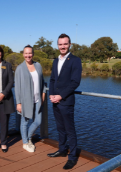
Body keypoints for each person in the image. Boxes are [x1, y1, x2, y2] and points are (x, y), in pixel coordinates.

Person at [48, 33, 82, 170]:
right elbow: (51, 80)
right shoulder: (56, 60)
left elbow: (75, 82)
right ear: (57, 45)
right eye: (60, 44)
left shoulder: (75, 60)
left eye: (65, 44)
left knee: (70, 130)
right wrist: (51, 95)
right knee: (60, 128)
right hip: (55, 101)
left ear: (69, 44)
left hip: (66, 101)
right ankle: (62, 150)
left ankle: (72, 157)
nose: (63, 46)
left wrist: (60, 96)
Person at [15, 45, 46, 153]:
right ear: (23, 54)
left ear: (33, 54)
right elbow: (17, 87)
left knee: (38, 121)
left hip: (38, 99)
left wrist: (43, 96)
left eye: (30, 53)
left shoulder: (38, 66)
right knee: (24, 122)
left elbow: (43, 83)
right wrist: (18, 103)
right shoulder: (20, 68)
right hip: (25, 100)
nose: (28, 55)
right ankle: (25, 143)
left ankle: (27, 138)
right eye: (26, 53)